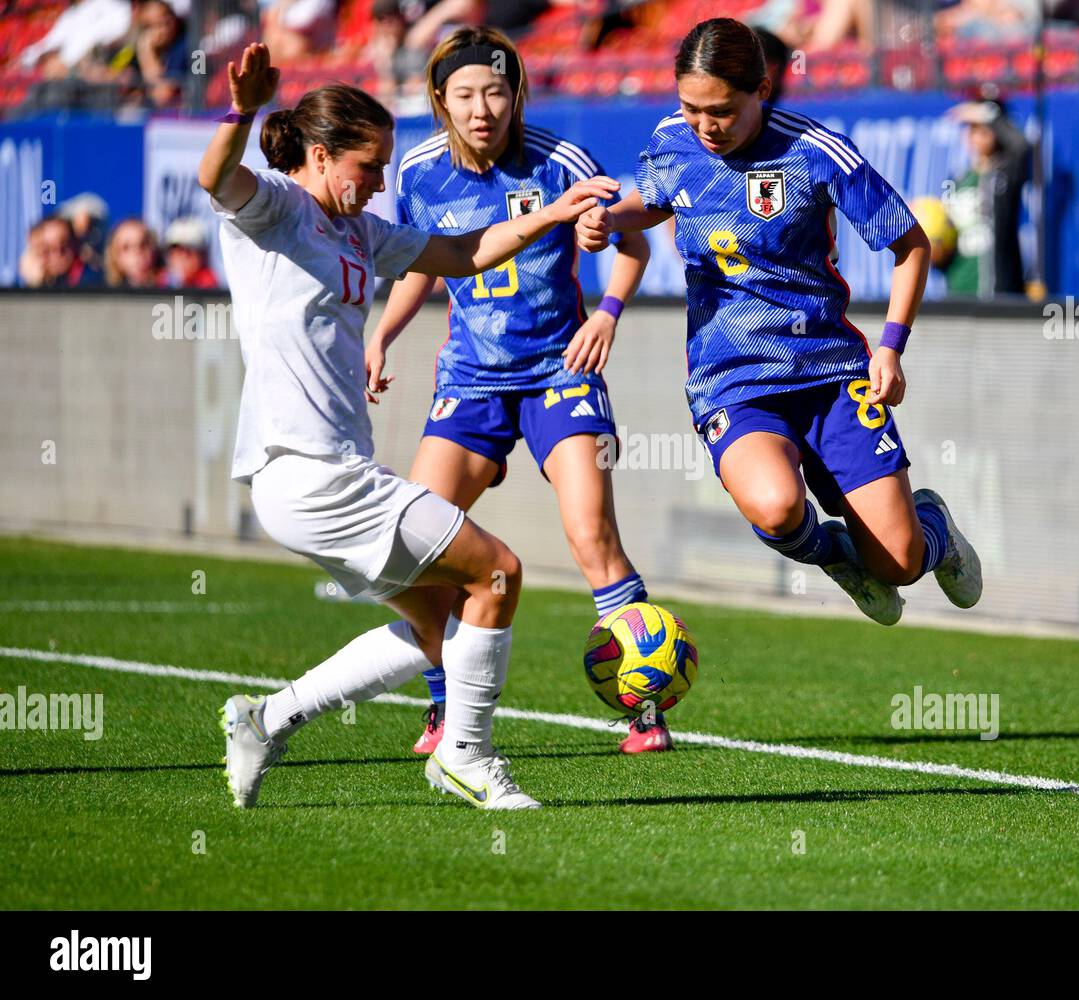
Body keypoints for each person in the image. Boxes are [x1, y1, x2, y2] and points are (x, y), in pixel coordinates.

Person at [202, 42, 617, 810]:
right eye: (369, 166)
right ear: (320, 157)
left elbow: (462, 253)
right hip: (311, 472)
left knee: (441, 628)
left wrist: (551, 215)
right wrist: (243, 107)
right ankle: (464, 755)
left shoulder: (360, 233)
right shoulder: (277, 212)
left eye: (389, 165)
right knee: (499, 572)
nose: (382, 182)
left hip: (321, 478)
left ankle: (267, 719)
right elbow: (214, 178)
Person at [576, 18, 982, 630]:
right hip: (733, 379)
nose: (705, 126)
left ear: (761, 91)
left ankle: (934, 531)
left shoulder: (816, 151)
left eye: (721, 111)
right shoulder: (671, 142)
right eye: (691, 109)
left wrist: (892, 348)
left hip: (831, 372)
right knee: (776, 506)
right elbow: (659, 202)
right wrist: (611, 219)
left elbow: (911, 244)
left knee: (899, 561)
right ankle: (836, 558)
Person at [367, 27, 666, 754]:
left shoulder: (561, 161)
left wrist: (607, 313)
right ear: (440, 101)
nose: (483, 108)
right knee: (416, 543)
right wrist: (382, 333)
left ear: (517, 95)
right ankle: (444, 710)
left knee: (591, 535)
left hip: (561, 372)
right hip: (471, 379)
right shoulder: (418, 171)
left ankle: (646, 707)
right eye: (466, 94)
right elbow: (419, 265)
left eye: (496, 91)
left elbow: (634, 243)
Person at [941, 98, 1028, 297]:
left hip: (997, 290)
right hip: (958, 289)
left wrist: (989, 114)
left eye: (984, 130)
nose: (977, 137)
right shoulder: (958, 180)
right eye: (972, 129)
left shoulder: (1006, 173)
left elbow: (1021, 147)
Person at [19, 217, 103, 289]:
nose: (57, 254)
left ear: (75, 244)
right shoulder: (29, 284)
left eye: (64, 245)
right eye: (48, 249)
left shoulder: (93, 281)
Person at [162, 217, 220, 288]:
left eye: (189, 250)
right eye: (177, 250)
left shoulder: (208, 284)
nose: (183, 256)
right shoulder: (160, 281)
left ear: (201, 255)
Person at [105, 218, 163, 288]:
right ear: (115, 256)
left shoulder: (176, 293)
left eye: (143, 244)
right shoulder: (106, 297)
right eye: (126, 247)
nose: (137, 252)